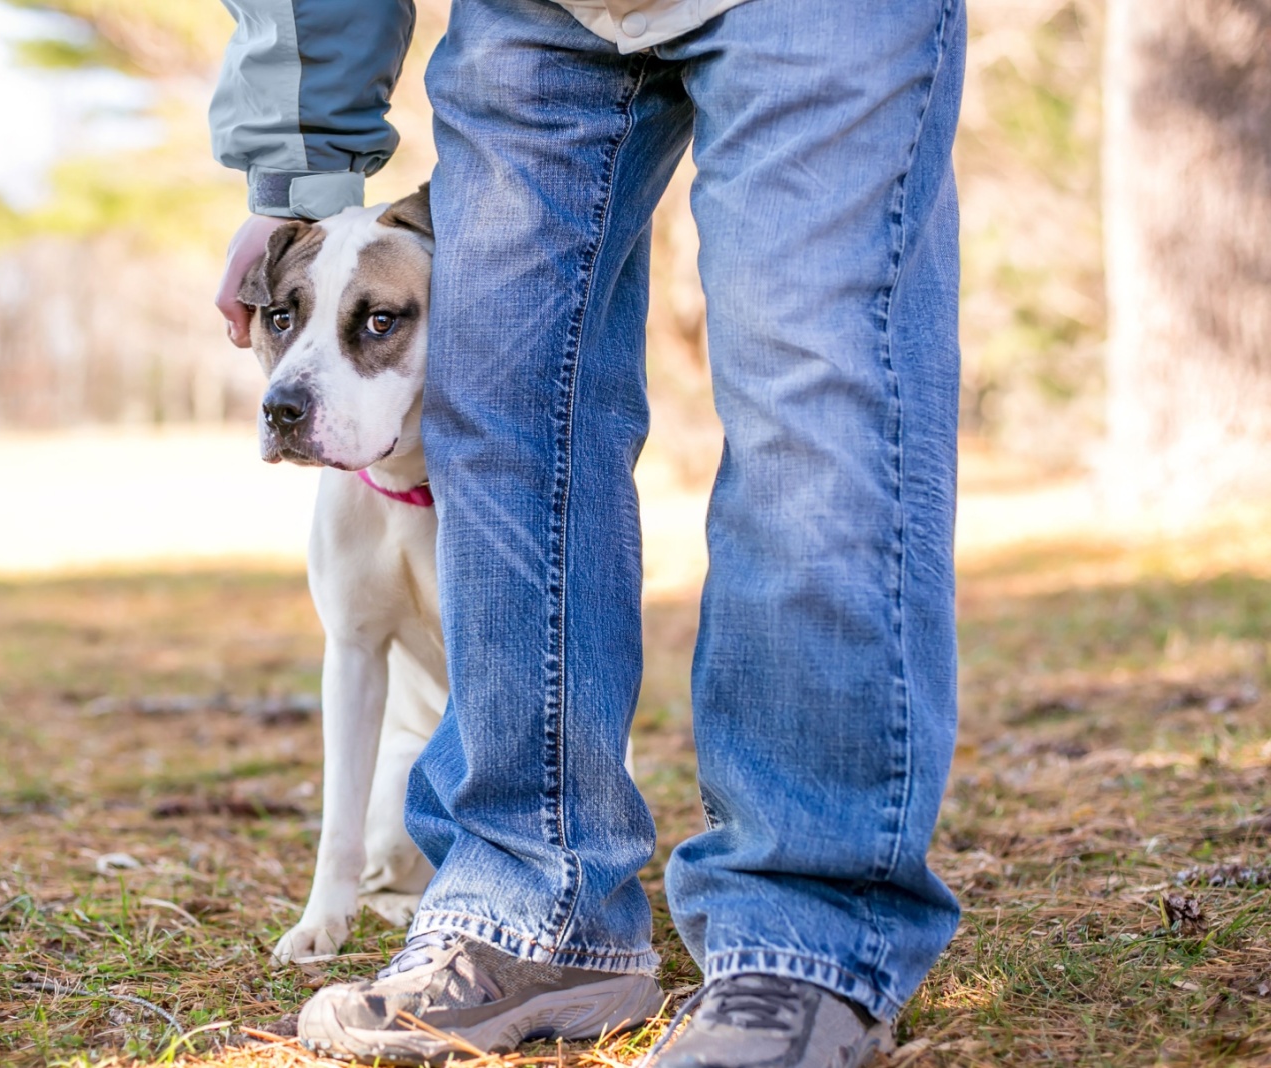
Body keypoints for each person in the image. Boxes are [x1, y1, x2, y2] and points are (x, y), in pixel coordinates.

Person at [210, 1, 967, 1064]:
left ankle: (809, 937)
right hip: (540, 14)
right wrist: (297, 164)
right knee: (498, 410)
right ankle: (533, 909)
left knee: (815, 401)